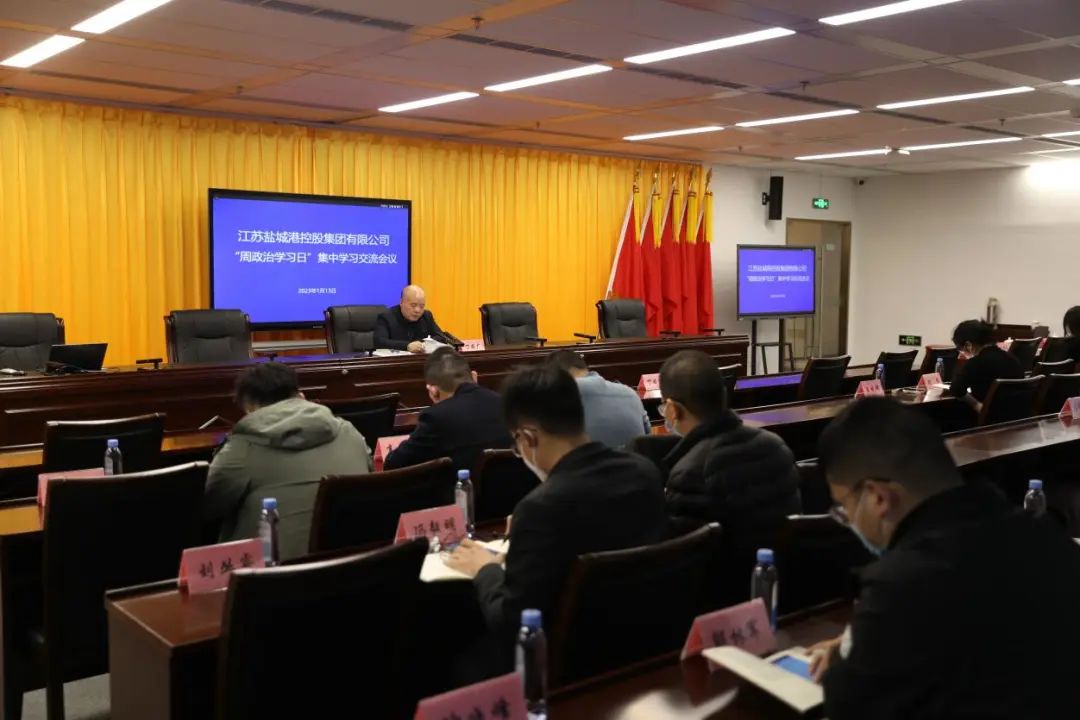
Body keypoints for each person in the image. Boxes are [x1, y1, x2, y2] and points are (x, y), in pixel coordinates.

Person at [809, 397, 1080, 720]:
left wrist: (854, 650)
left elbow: (849, 705)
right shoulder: (1047, 535)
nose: (848, 519)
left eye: (844, 507)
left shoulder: (902, 585)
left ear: (878, 497)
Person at [445, 365, 667, 664]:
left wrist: (485, 568)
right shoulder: (645, 472)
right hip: (650, 644)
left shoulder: (541, 508)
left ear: (527, 437)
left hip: (572, 664)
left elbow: (512, 624)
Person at [204, 362, 372, 561]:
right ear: (300, 395)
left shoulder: (242, 448)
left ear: (249, 408)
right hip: (356, 564)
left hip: (277, 572)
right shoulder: (350, 432)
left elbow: (206, 506)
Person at [656, 350, 800, 536]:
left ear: (672, 409)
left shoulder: (689, 474)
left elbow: (688, 547)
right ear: (723, 394)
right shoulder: (776, 445)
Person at [384, 347, 511, 471]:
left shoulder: (436, 417)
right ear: (474, 377)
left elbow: (393, 464)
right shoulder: (508, 404)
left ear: (433, 391)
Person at [544, 349, 650, 448]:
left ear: (555, 377)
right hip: (637, 461)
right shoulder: (630, 393)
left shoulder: (557, 400)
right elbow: (647, 436)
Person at [949, 319, 1023, 410]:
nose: (961, 353)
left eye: (960, 349)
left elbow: (956, 389)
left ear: (968, 345)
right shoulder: (1012, 359)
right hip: (1020, 415)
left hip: (992, 417)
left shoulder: (976, 363)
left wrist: (977, 405)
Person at [374, 284, 454, 353]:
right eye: (413, 305)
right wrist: (407, 345)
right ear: (401, 302)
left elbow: (440, 336)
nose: (417, 310)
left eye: (422, 306)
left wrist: (422, 343)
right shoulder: (386, 317)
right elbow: (380, 342)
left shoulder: (426, 316)